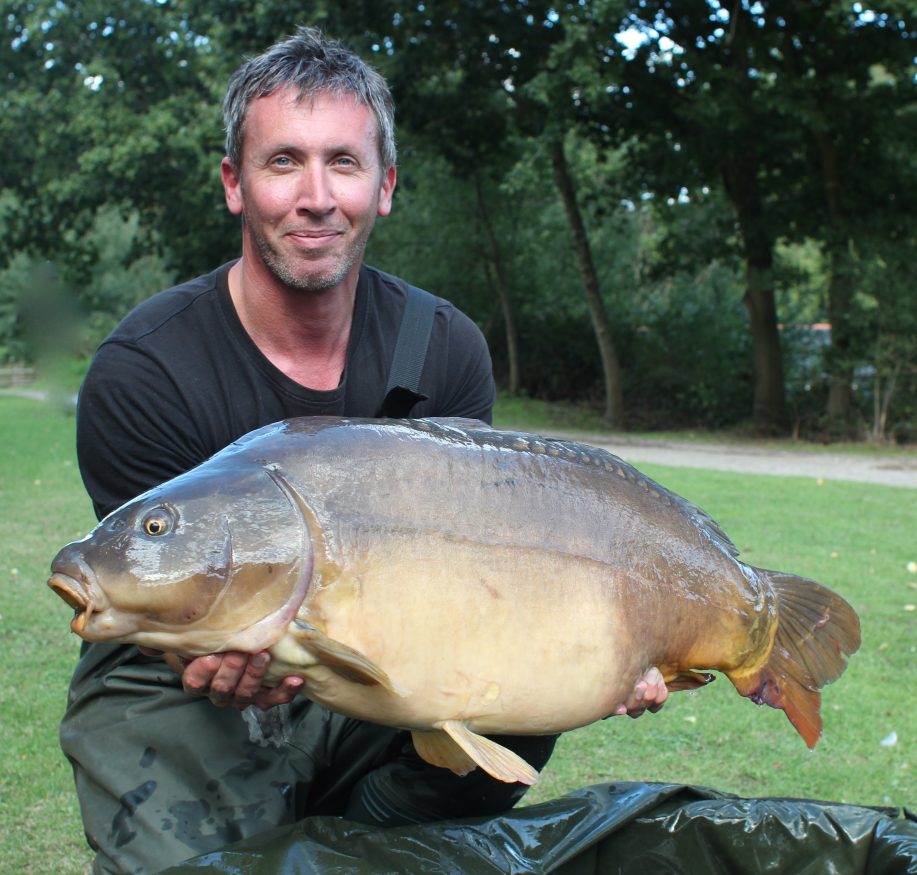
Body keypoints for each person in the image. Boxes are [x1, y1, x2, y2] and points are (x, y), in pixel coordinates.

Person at [61, 26, 667, 874]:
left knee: (511, 677)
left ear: (383, 186)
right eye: (283, 162)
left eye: (342, 162)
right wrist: (191, 646)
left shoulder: (443, 346)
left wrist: (604, 652)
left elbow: (483, 579)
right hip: (191, 679)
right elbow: (154, 591)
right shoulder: (145, 368)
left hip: (382, 652)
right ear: (235, 183)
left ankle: (368, 837)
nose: (315, 197)